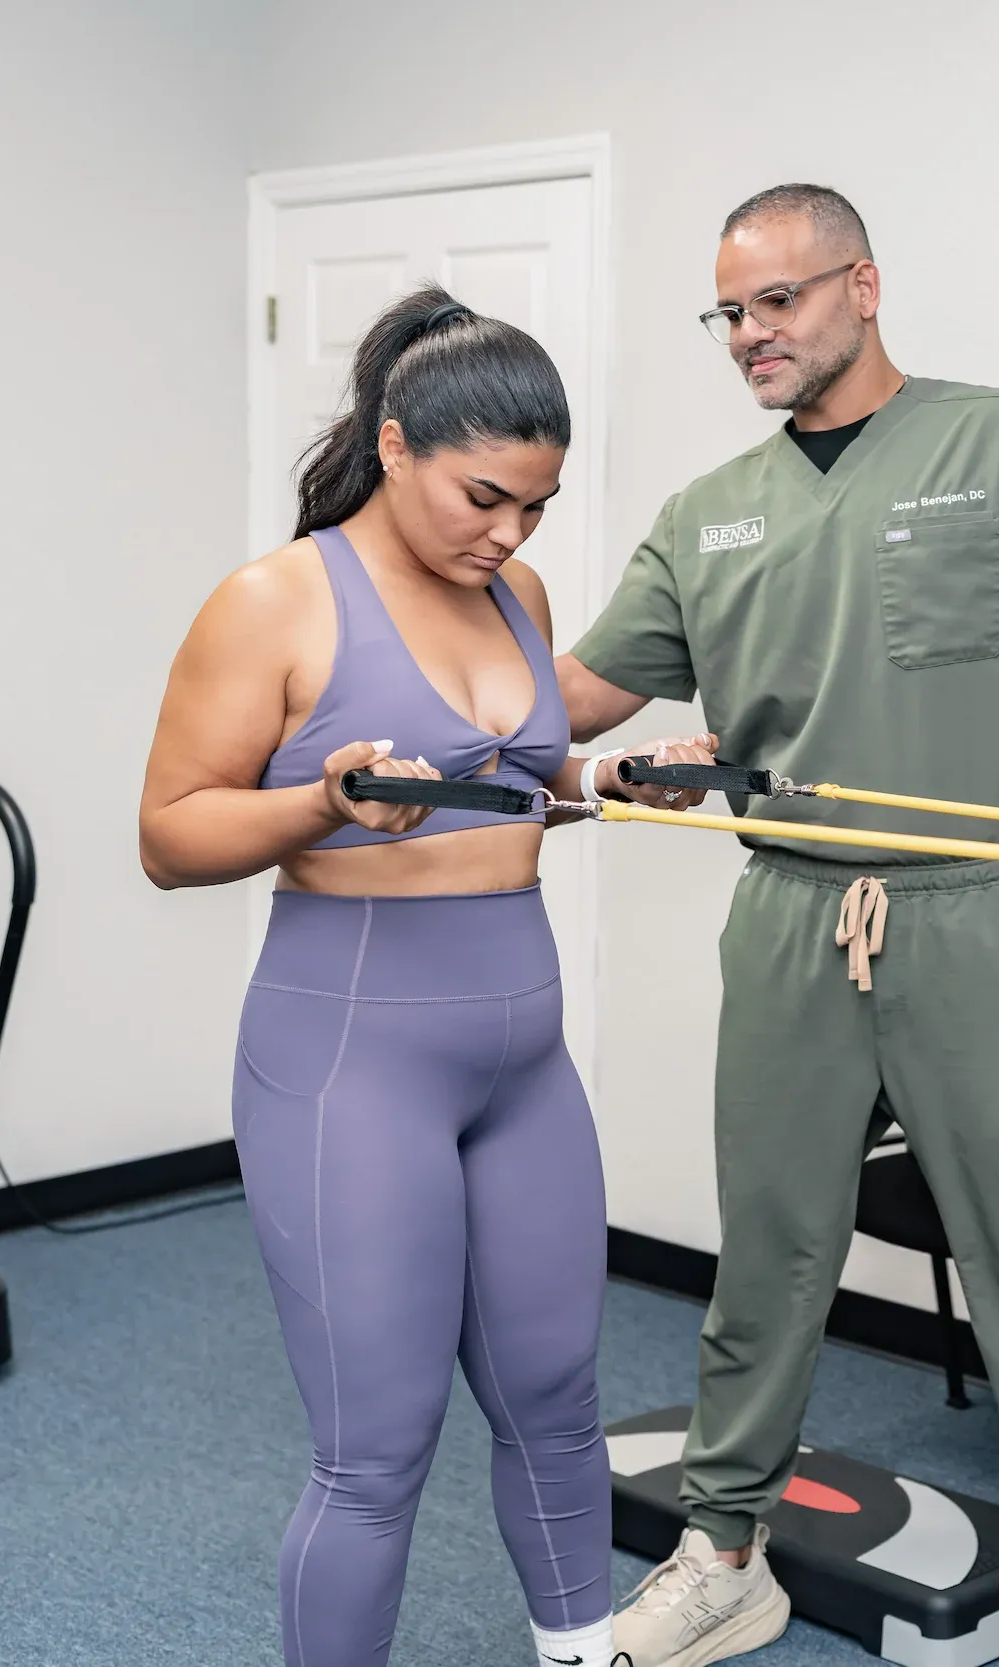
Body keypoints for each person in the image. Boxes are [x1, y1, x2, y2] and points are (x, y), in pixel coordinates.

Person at [558, 186, 999, 1667]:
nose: (750, 335)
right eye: (728, 312)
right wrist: (411, 696)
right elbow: (573, 701)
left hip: (980, 906)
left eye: (776, 301)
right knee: (772, 1242)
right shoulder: (710, 511)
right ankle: (724, 1549)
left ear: (861, 284)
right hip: (791, 909)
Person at [139, 285, 684, 1667]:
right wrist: (320, 805)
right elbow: (169, 831)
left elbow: (512, 780)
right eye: (485, 496)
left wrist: (607, 777)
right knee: (377, 1448)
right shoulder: (273, 601)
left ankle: (583, 1651)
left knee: (557, 1399)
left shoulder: (518, 595)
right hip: (350, 1062)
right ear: (394, 445)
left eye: (537, 508)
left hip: (521, 1060)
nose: (508, 534)